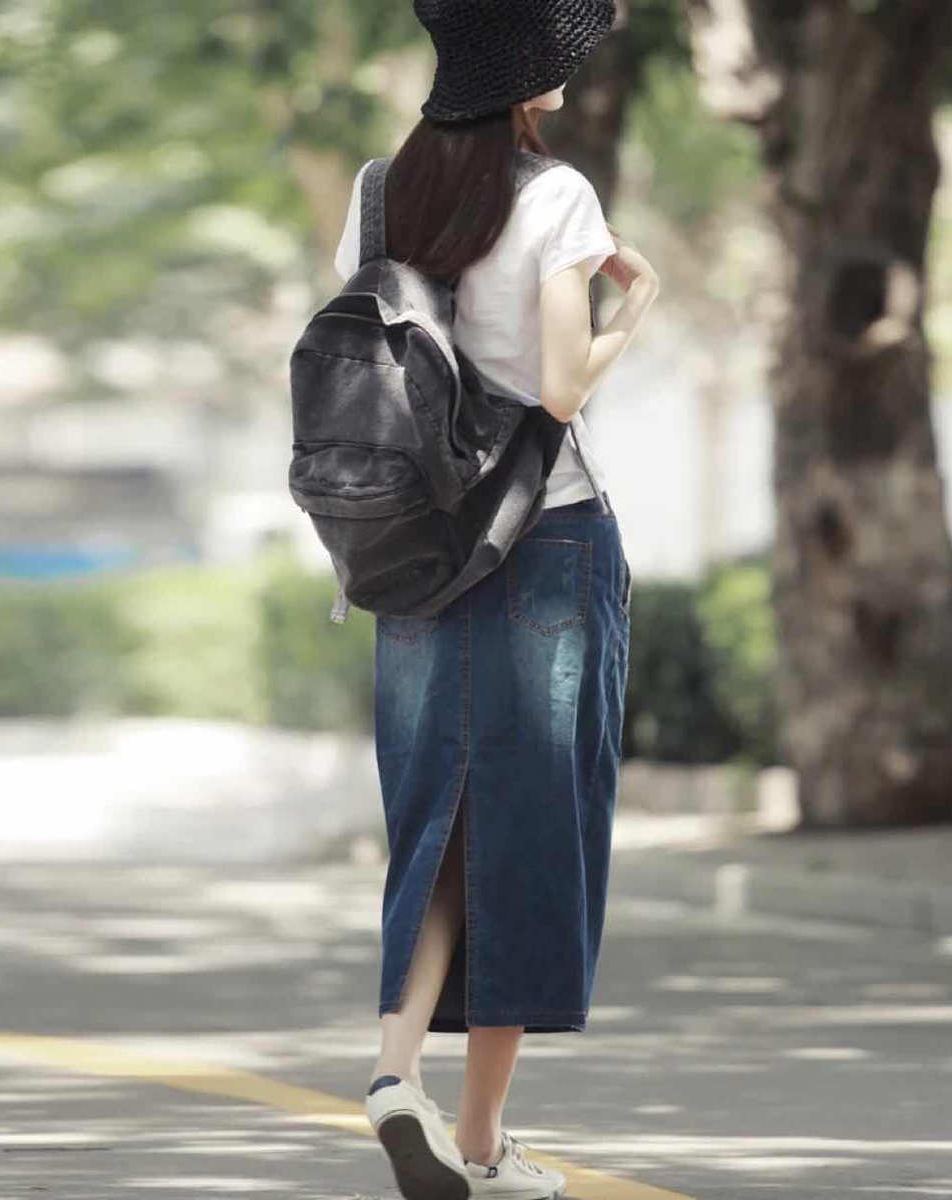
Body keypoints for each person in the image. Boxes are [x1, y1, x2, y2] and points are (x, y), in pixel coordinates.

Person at [334, 3, 659, 1197]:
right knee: (522, 830)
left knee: (436, 816)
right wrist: (636, 306)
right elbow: (561, 389)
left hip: (415, 550)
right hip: (543, 539)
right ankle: (480, 1137)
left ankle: (395, 1076)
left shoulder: (381, 193)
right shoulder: (558, 194)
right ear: (532, 74)